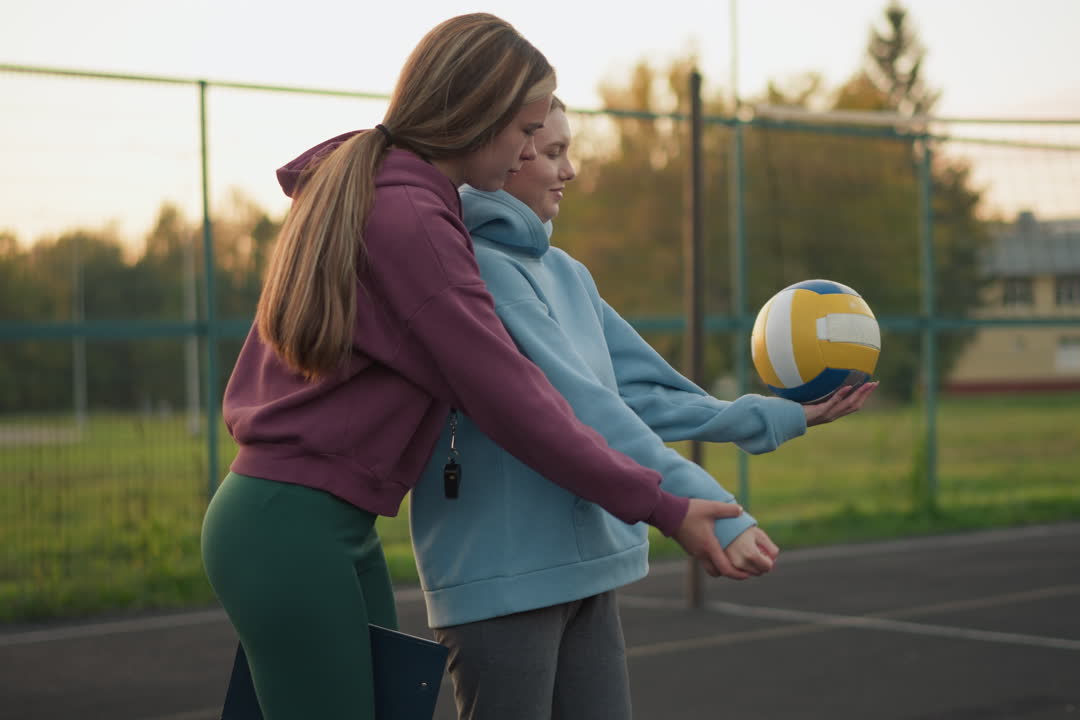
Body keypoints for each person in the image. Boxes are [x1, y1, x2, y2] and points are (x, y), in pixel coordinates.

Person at [200, 15, 752, 720]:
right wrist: (663, 505)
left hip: (325, 529)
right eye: (524, 131)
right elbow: (514, 400)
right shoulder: (412, 223)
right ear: (476, 118)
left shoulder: (394, 196)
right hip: (290, 531)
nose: (530, 150)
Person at [410, 96, 879, 720]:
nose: (570, 170)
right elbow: (586, 410)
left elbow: (641, 392)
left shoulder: (566, 273)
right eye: (552, 151)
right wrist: (708, 508)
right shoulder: (479, 273)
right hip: (504, 579)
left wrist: (779, 415)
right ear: (504, 153)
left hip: (586, 569)